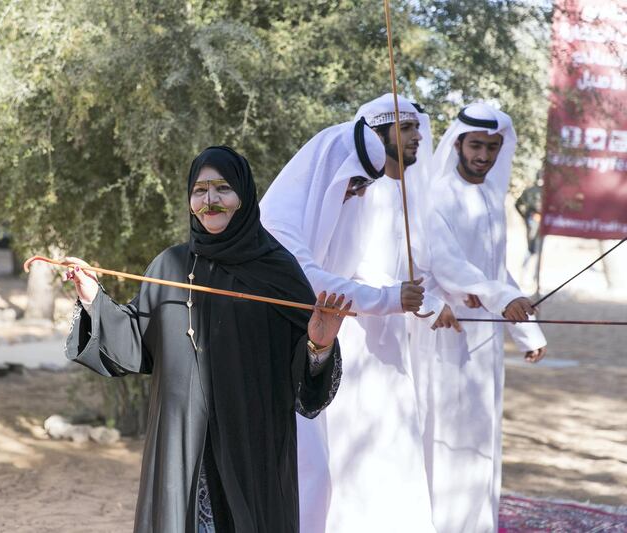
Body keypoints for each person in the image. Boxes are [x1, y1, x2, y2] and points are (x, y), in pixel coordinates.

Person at [63, 146, 349, 533]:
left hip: (253, 443)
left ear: (244, 197)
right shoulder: (170, 266)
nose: (210, 200)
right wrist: (91, 296)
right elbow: (133, 341)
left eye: (222, 188)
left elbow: (305, 384)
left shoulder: (277, 269)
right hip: (181, 443)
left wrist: (319, 345)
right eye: (200, 190)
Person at [260, 109, 443, 533]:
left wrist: (406, 298)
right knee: (304, 474)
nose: (358, 193)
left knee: (317, 476)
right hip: (270, 356)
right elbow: (309, 279)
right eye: (356, 182)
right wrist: (388, 298)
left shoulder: (343, 206)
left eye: (364, 185)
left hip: (313, 355)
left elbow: (352, 269)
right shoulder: (279, 217)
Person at [412, 103, 548, 533]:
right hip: (447, 337)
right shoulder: (438, 196)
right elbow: (451, 268)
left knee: (481, 438)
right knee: (449, 439)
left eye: (492, 147)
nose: (484, 156)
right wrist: (503, 297)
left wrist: (527, 331)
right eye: (476, 146)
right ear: (457, 143)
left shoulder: (491, 198)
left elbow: (495, 270)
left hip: (484, 341)